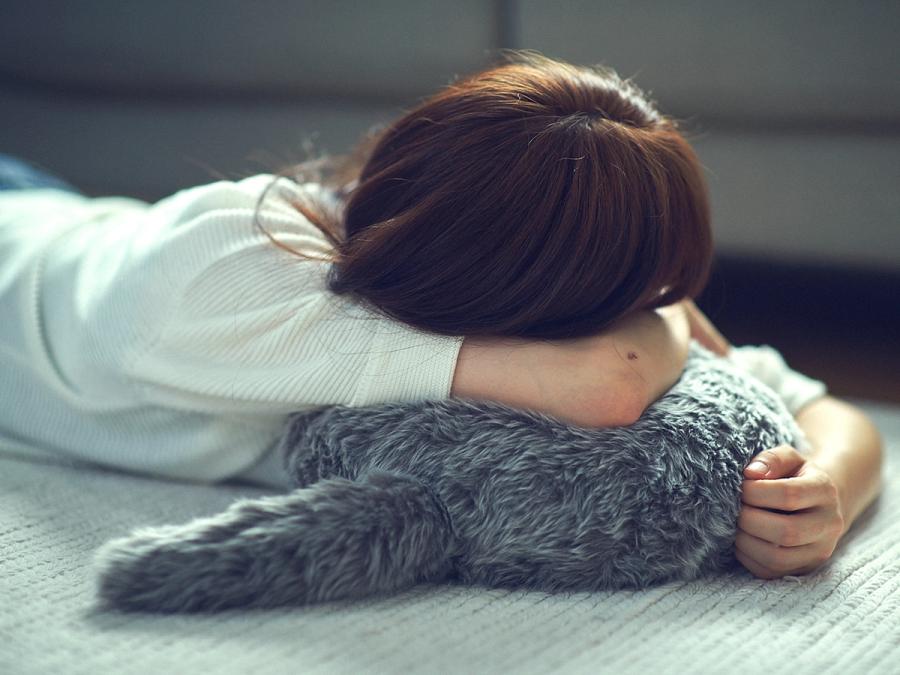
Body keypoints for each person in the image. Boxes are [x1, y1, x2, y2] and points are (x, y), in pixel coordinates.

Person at [0, 51, 882, 581]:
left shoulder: (548, 309)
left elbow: (822, 407)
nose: (656, 320)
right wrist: (666, 322)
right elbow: (608, 387)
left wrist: (829, 487)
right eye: (644, 298)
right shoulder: (229, 261)